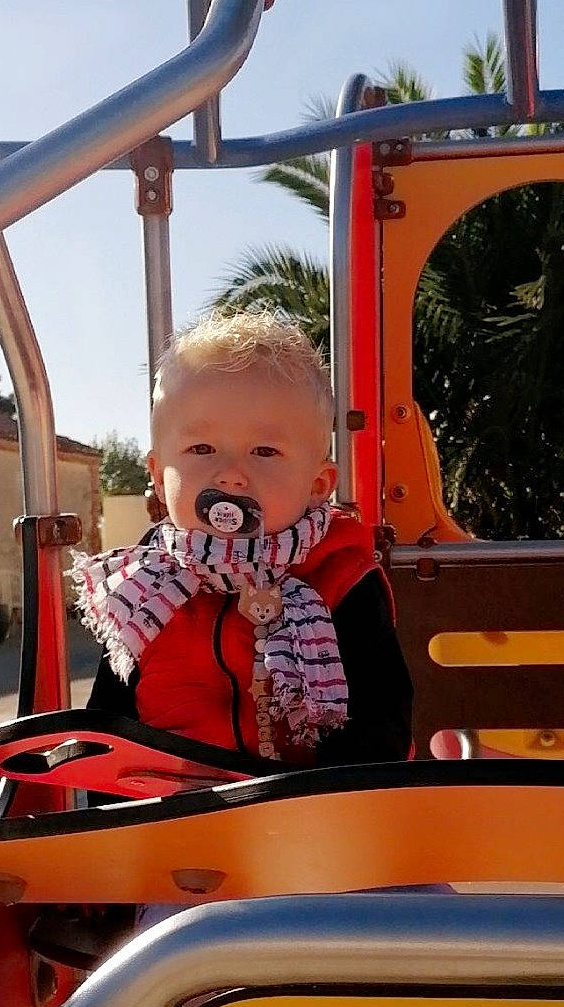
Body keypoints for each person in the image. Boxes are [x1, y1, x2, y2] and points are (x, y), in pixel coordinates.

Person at [74, 311, 414, 769]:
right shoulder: (144, 586)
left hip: (303, 805)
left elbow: (382, 725)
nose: (231, 474)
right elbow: (108, 723)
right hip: (171, 805)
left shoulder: (343, 580)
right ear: (157, 475)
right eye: (201, 449)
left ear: (317, 485)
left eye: (265, 451)